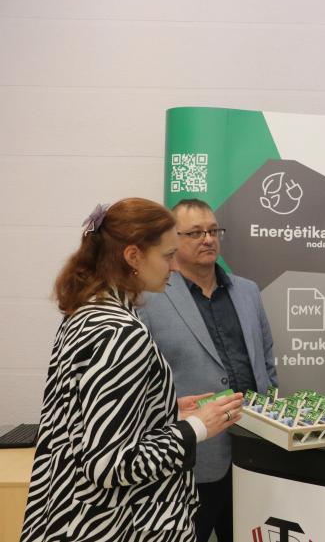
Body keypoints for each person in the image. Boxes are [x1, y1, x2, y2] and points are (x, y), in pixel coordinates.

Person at [21, 198, 244, 542]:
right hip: (114, 524)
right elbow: (110, 464)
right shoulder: (120, 331)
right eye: (167, 256)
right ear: (133, 256)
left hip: (72, 515)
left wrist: (165, 412)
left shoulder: (86, 313)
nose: (174, 267)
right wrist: (197, 427)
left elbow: (89, 420)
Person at [139, 198, 277, 542]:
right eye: (195, 233)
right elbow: (143, 380)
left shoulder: (247, 291)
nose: (208, 239)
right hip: (192, 459)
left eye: (214, 231)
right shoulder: (149, 298)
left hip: (254, 451)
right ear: (173, 240)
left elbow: (266, 360)